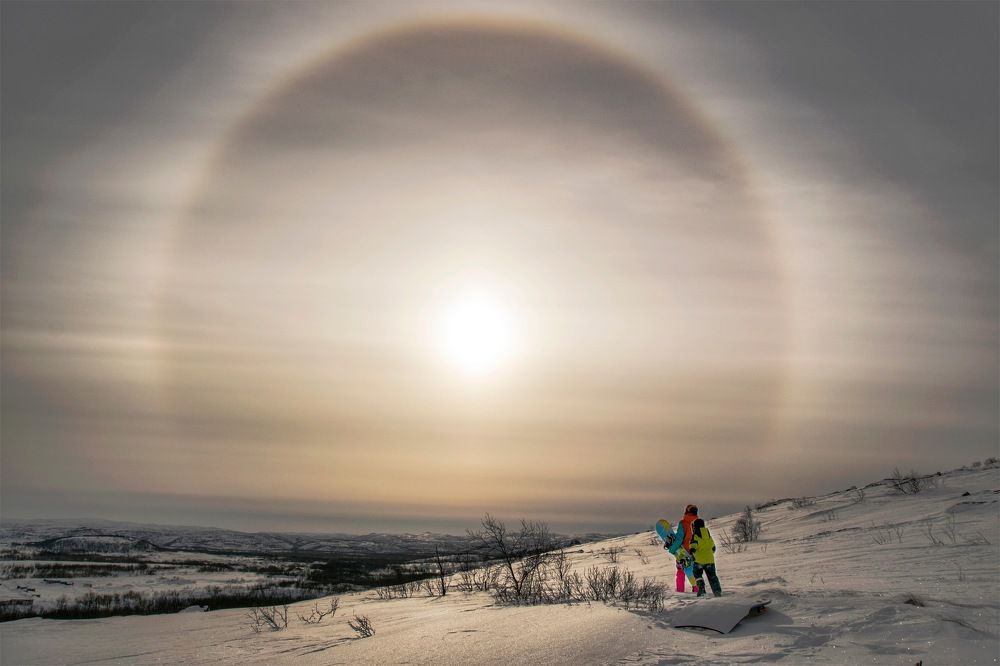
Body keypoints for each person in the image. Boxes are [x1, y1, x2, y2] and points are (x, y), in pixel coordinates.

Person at [689, 517, 722, 597]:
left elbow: (693, 547)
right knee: (713, 576)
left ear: (694, 526)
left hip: (699, 560)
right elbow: (713, 548)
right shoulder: (708, 535)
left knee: (697, 574)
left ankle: (702, 590)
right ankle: (717, 592)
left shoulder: (695, 535)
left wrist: (692, 553)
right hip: (710, 560)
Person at [674, 505, 699, 593]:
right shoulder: (699, 523)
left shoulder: (683, 523)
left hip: (683, 552)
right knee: (695, 572)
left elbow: (679, 538)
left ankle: (680, 591)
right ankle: (697, 589)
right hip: (696, 552)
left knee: (681, 571)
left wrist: (673, 548)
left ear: (686, 512)